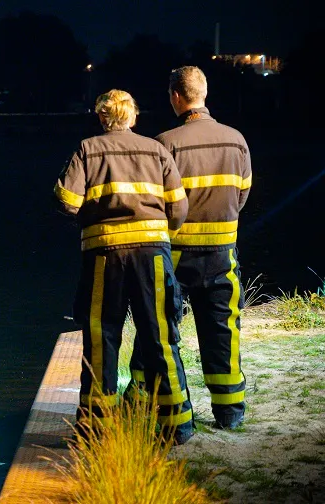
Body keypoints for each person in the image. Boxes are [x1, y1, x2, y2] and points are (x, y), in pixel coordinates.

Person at [54, 89, 194, 444]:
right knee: (161, 337)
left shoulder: (88, 149)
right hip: (153, 255)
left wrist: (93, 216)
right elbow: (179, 208)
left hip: (105, 256)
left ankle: (96, 429)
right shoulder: (157, 149)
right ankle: (177, 426)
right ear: (133, 116)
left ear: (103, 118)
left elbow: (66, 201)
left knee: (102, 338)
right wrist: (160, 232)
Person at [130, 66, 251, 430]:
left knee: (162, 333)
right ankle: (229, 414)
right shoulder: (236, 140)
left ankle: (156, 408)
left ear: (176, 97)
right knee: (223, 332)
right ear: (204, 93)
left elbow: (154, 200)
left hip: (176, 255)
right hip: (222, 253)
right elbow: (242, 195)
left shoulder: (166, 143)